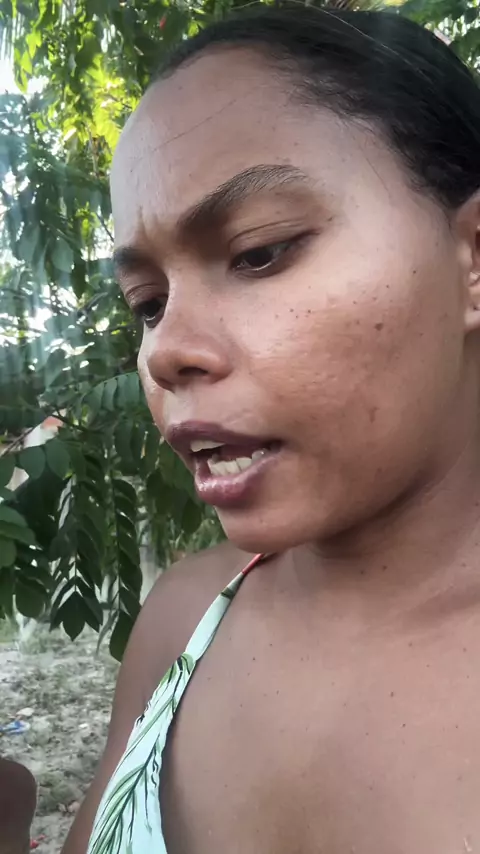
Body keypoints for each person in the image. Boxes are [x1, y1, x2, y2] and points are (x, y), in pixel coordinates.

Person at [63, 5, 480, 853]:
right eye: (148, 303)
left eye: (259, 251)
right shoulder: (181, 626)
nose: (164, 352)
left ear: (472, 258)